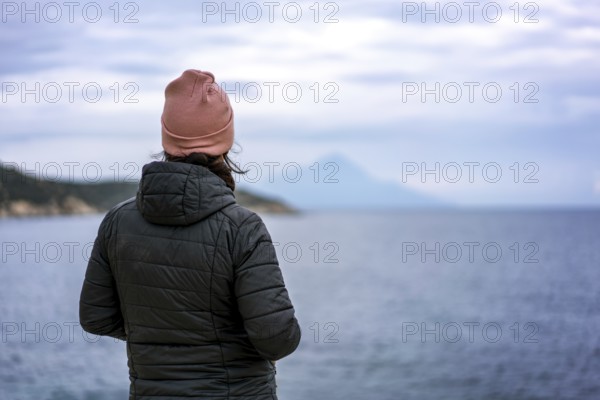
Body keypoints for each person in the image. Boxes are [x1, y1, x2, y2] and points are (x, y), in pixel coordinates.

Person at [79, 69, 302, 400]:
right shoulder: (242, 228)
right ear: (224, 140)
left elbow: (95, 318)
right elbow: (277, 338)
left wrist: (160, 335)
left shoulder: (117, 222)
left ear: (167, 137)